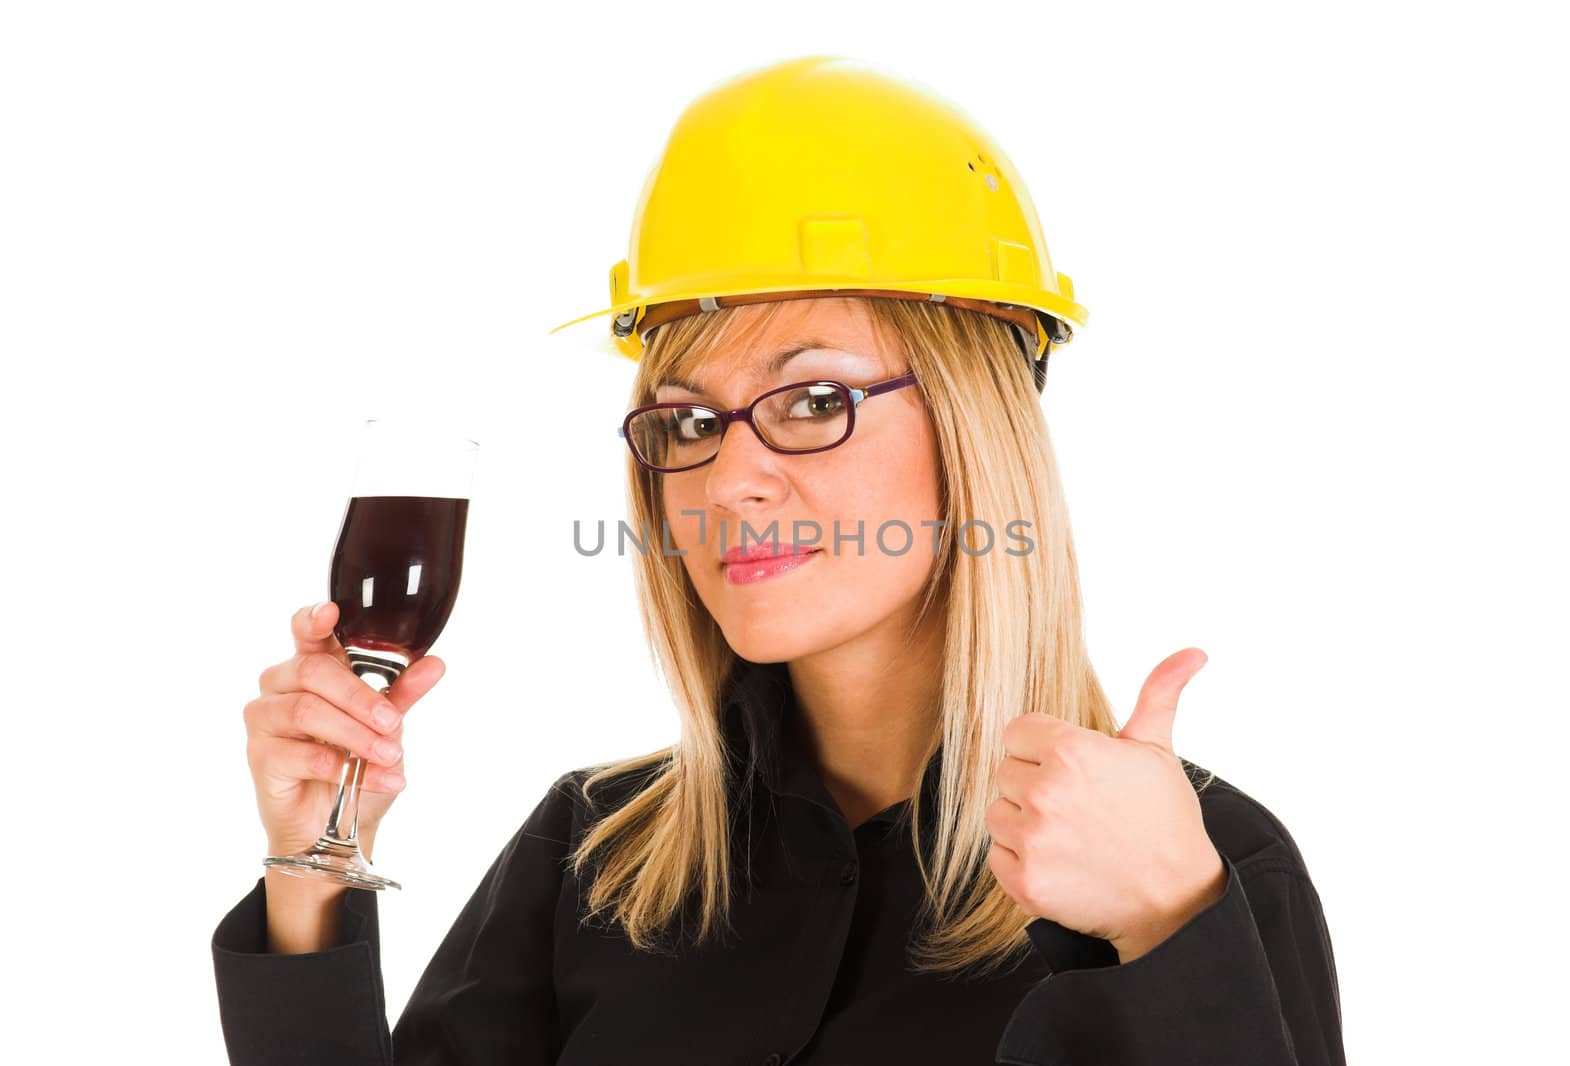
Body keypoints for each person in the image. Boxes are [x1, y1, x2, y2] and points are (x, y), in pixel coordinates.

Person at [213, 55, 1345, 1065]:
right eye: (688, 420)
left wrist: (1164, 930)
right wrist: (312, 866)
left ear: (975, 427)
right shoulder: (595, 854)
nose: (730, 477)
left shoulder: (1201, 868)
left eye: (814, 399)